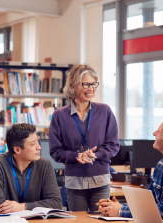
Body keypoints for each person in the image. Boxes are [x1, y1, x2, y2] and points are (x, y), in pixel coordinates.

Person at [97, 113, 163, 219]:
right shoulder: (161, 165)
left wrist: (120, 211)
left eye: (158, 131)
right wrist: (117, 206)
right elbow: (149, 203)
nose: (154, 133)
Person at [49, 64, 119, 211]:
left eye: (94, 84)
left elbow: (113, 145)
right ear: (73, 85)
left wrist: (96, 154)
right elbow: (55, 151)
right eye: (86, 84)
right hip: (74, 180)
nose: (91, 89)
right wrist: (77, 156)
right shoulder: (59, 115)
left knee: (100, 220)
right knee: (78, 220)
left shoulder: (104, 111)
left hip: (100, 178)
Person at [0, 123, 62, 214]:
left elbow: (56, 203)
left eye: (37, 141)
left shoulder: (44, 164)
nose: (39, 147)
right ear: (17, 150)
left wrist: (23, 207)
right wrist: (36, 206)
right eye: (32, 144)